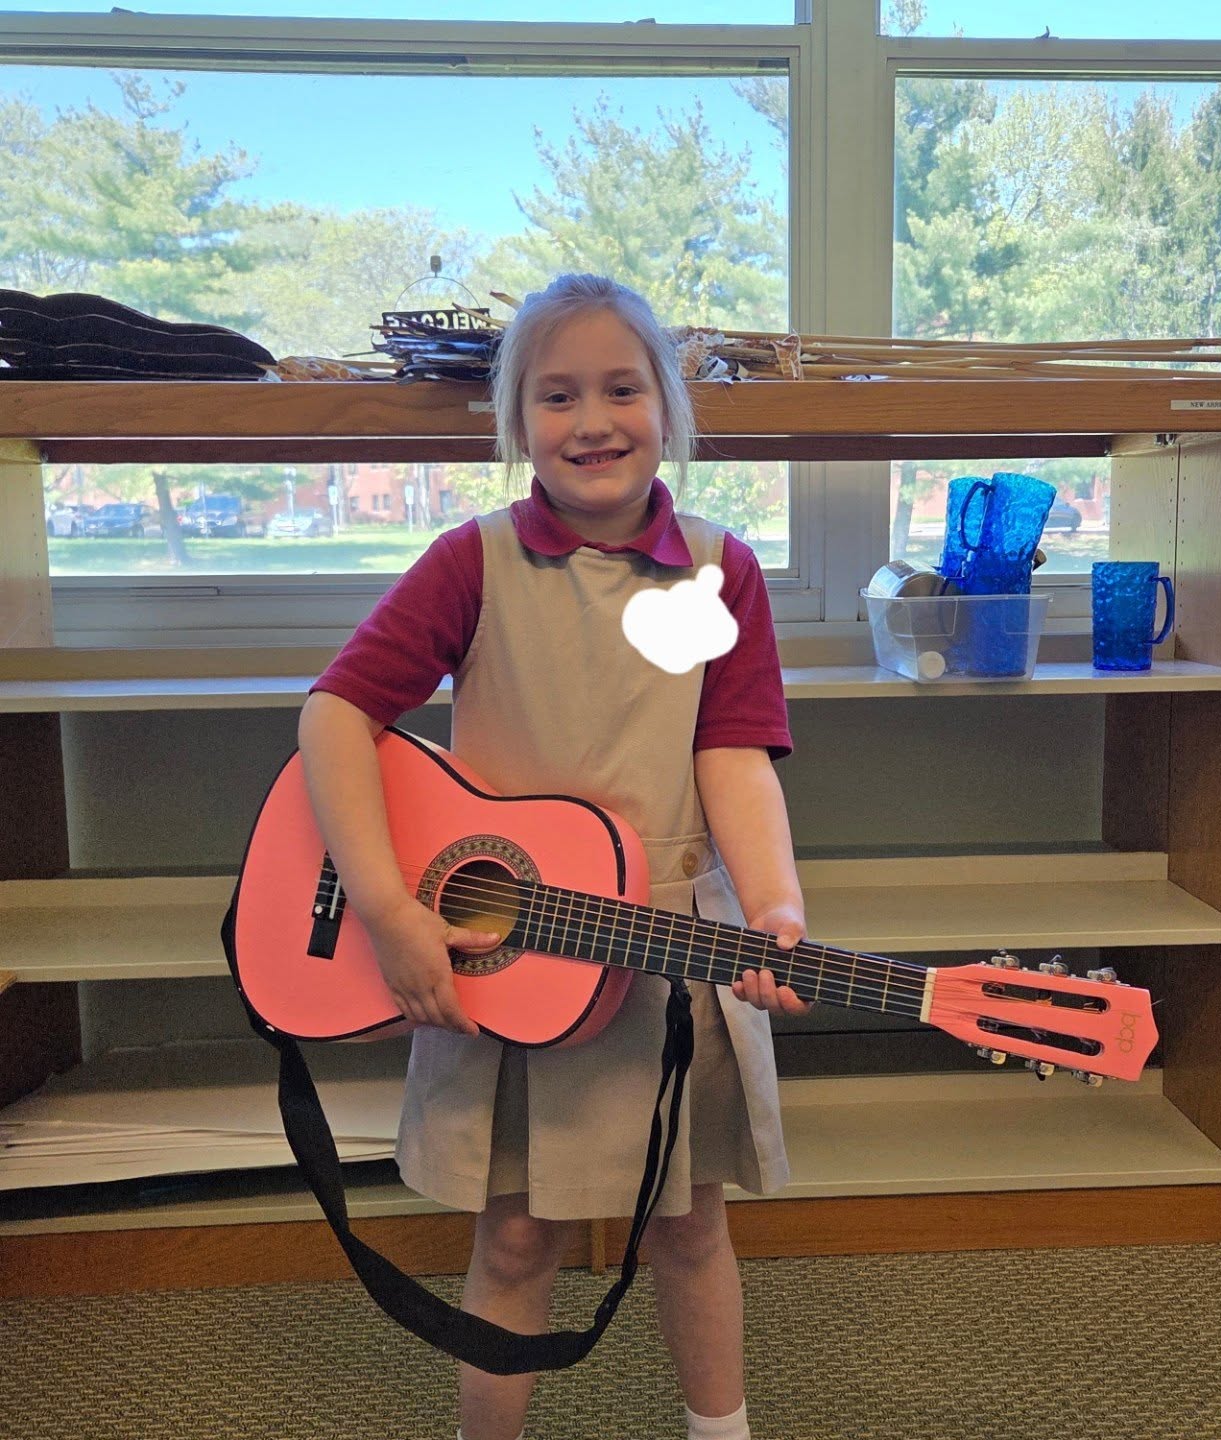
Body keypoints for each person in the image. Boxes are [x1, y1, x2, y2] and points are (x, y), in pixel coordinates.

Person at [296, 272, 811, 1440]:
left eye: (623, 389)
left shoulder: (720, 568)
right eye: (558, 396)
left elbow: (734, 754)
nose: (593, 422)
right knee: (518, 1237)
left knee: (689, 1226)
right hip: (507, 956)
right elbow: (335, 715)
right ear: (517, 422)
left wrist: (774, 904)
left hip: (668, 954)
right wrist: (385, 908)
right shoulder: (471, 562)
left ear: (668, 407)